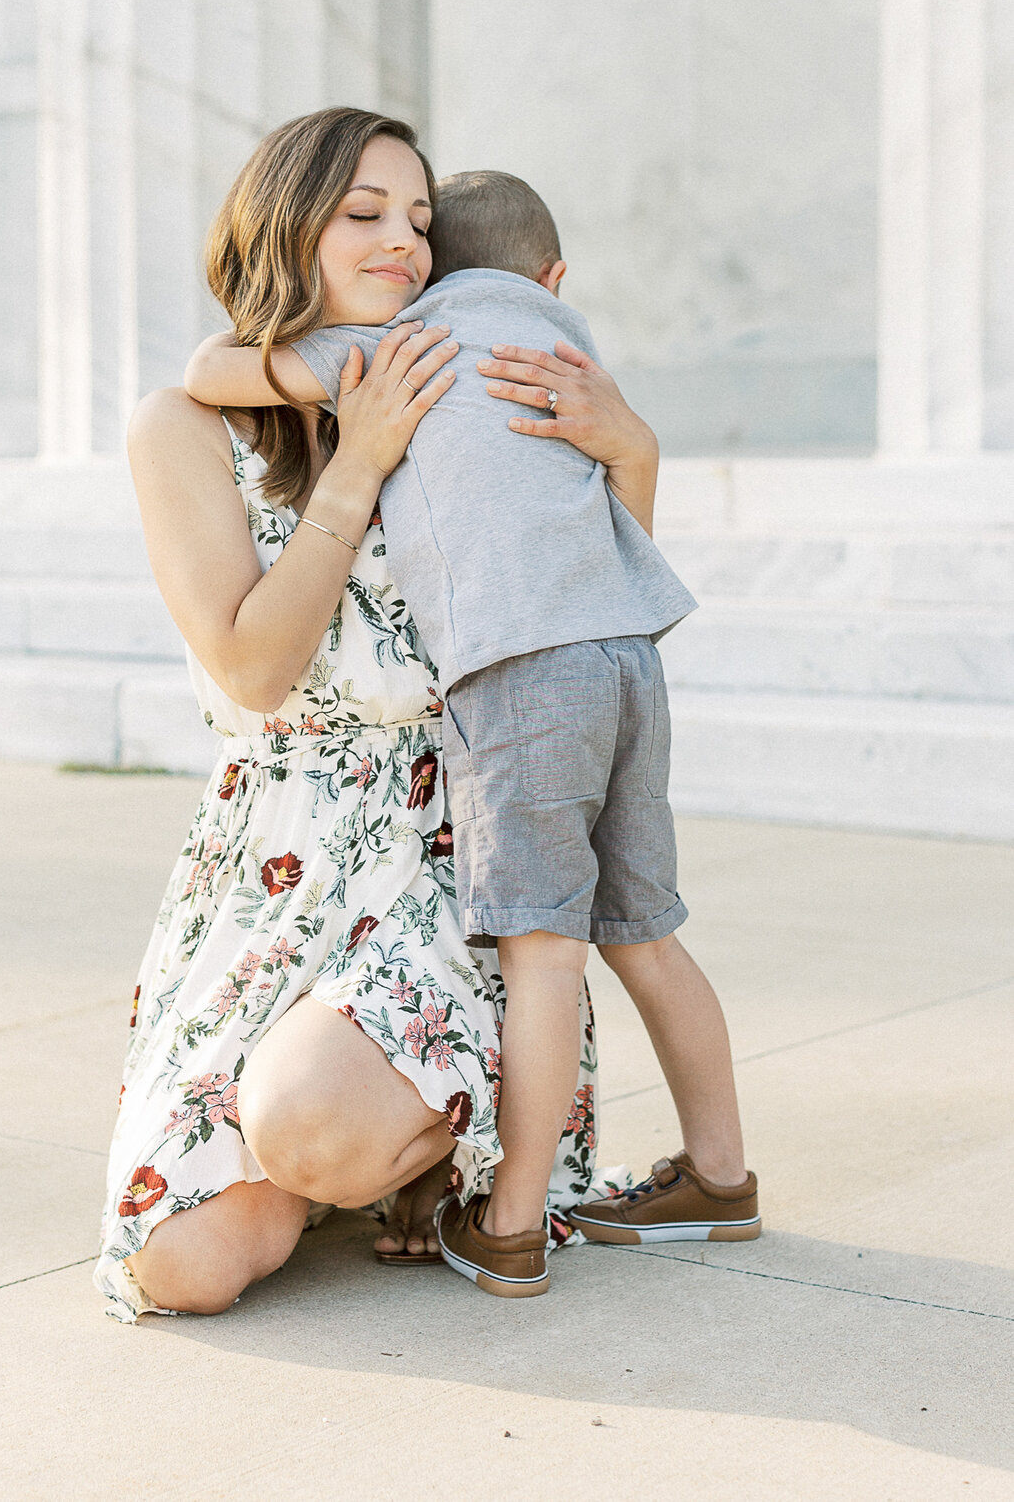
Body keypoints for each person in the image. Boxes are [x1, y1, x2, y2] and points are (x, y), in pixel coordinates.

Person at [181, 162, 757, 1298]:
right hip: (628, 656)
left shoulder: (413, 340)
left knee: (539, 949)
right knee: (642, 930)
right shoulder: (564, 350)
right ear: (550, 274)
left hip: (525, 677)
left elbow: (213, 369)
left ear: (433, 270)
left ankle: (509, 1221)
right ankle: (720, 1177)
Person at [98, 108, 603, 1321]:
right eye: (364, 216)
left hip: (442, 840)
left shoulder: (455, 389)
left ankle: (411, 1149)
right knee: (182, 1273)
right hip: (268, 848)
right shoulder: (185, 428)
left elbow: (576, 585)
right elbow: (252, 670)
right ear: (285, 228)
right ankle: (354, 1153)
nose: (404, 246)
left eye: (420, 222)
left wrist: (623, 446)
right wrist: (355, 466)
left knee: (307, 1127)